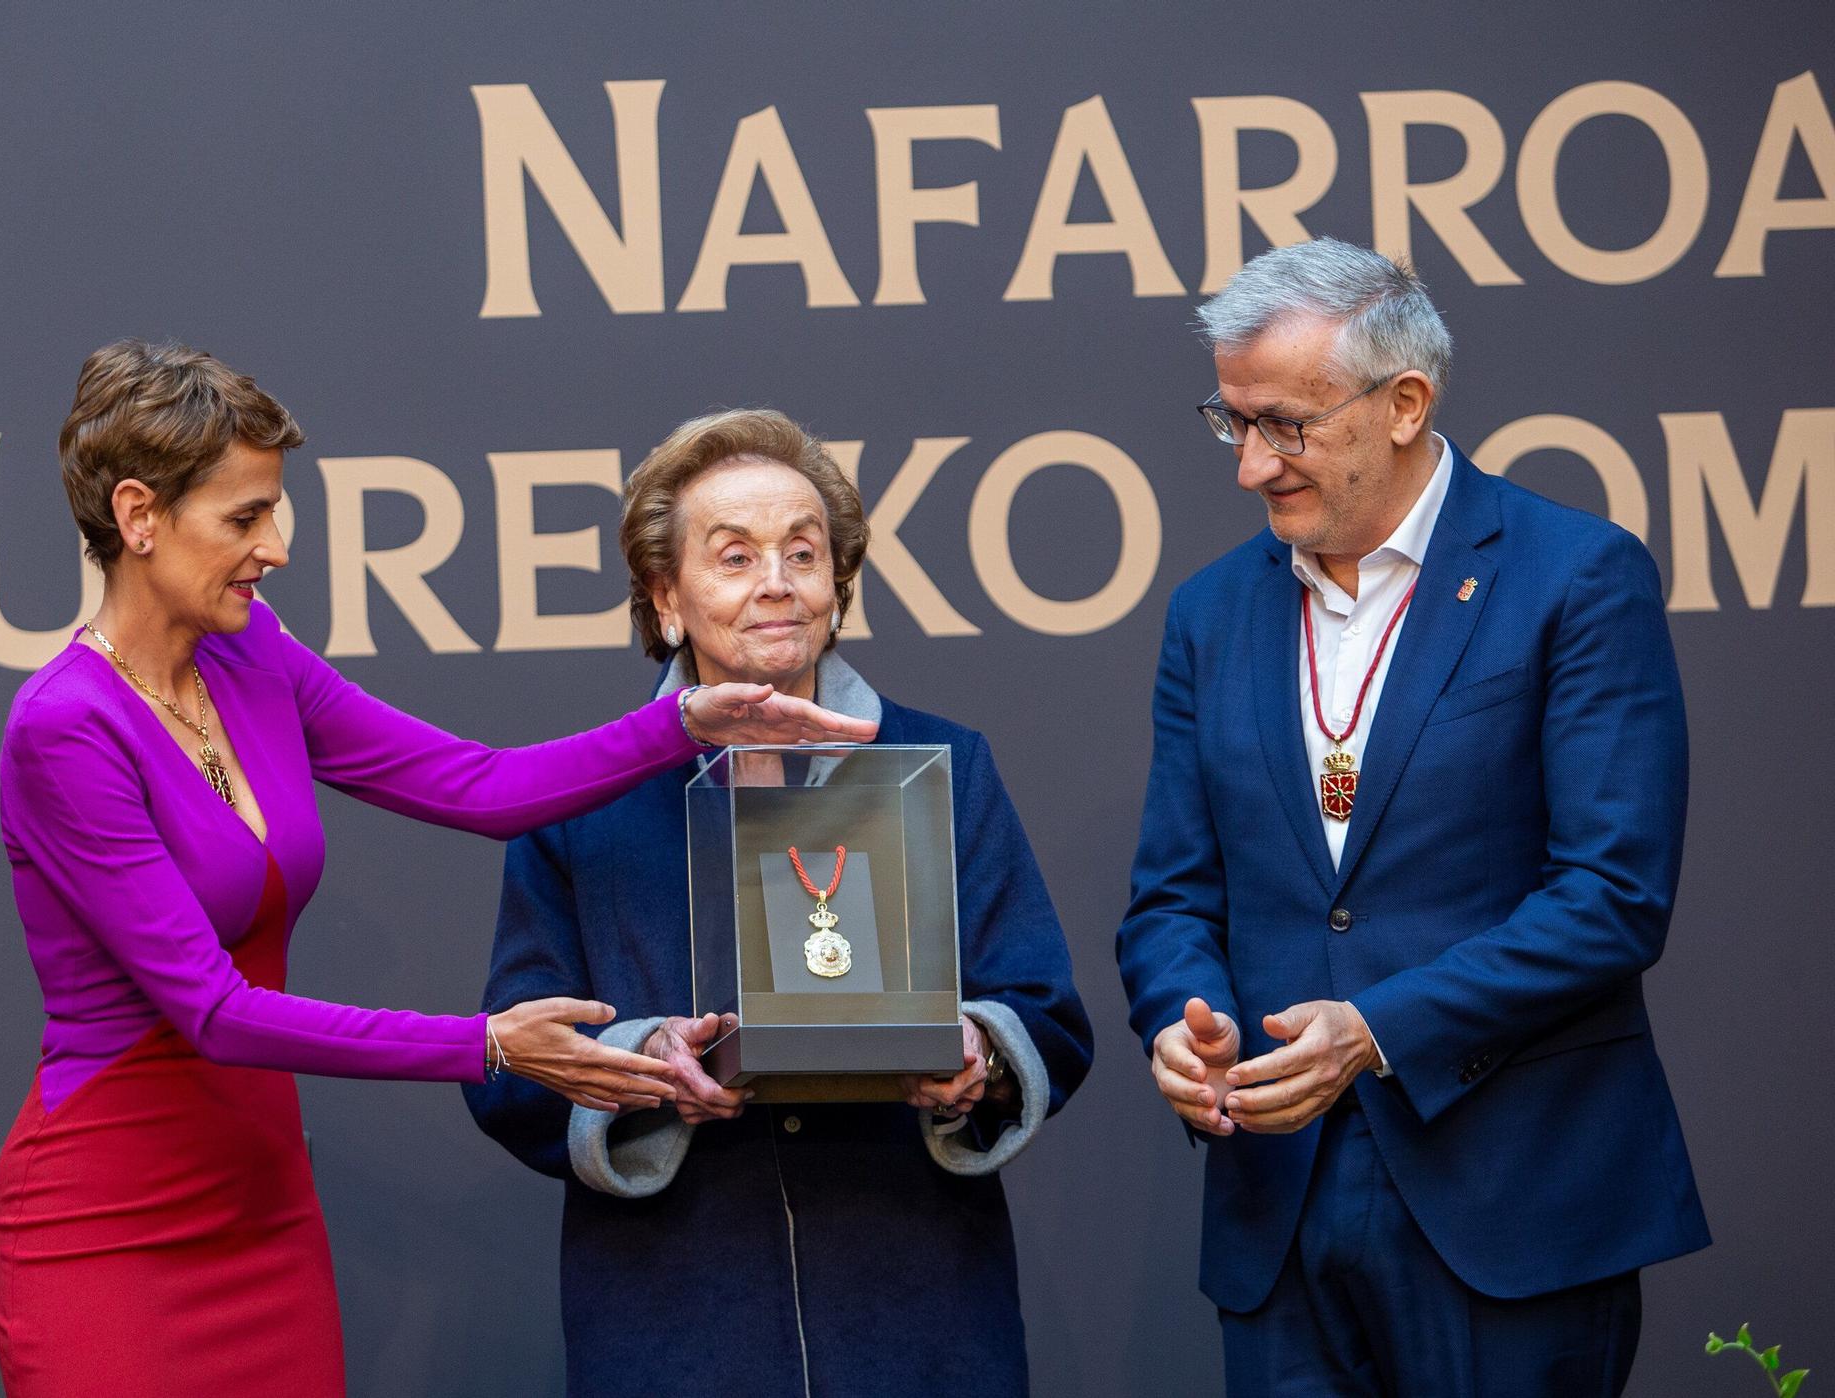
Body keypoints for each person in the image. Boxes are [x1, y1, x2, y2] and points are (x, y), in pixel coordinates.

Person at [0, 342, 877, 1398]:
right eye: (242, 519)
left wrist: (685, 722)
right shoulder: (65, 728)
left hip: (263, 1204)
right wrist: (491, 1044)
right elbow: (215, 1014)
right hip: (107, 1224)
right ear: (138, 517)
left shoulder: (248, 652)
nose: (273, 546)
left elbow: (480, 785)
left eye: (274, 511)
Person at [1116, 239, 1708, 1396]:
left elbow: (1610, 898)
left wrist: (1375, 1028)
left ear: (1402, 404)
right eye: (1231, 422)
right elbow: (1172, 893)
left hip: (1504, 1199)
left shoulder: (1572, 576)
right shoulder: (1209, 612)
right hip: (1275, 1203)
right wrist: (1175, 1025)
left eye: (1285, 425)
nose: (1249, 466)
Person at [462, 408, 1093, 1397]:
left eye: (802, 553)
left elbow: (1046, 1014)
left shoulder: (942, 765)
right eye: (734, 556)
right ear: (664, 598)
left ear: (836, 586)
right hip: (675, 1323)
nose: (775, 584)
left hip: (914, 1312)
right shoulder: (575, 798)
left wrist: (973, 1054)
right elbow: (505, 1068)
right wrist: (639, 1064)